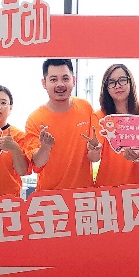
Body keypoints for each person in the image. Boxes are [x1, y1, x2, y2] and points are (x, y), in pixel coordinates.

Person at [25, 59, 101, 191]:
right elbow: (37, 163)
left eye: (65, 78)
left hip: (83, 196)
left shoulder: (85, 107)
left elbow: (94, 158)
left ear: (74, 80)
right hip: (50, 198)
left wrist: (95, 149)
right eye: (53, 79)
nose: (60, 84)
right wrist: (45, 147)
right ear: (44, 83)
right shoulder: (35, 119)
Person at [93, 63, 139, 188]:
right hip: (107, 187)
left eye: (122, 80)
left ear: (130, 82)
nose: (118, 85)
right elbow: (95, 156)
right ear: (106, 88)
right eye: (112, 82)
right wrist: (94, 149)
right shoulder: (99, 116)